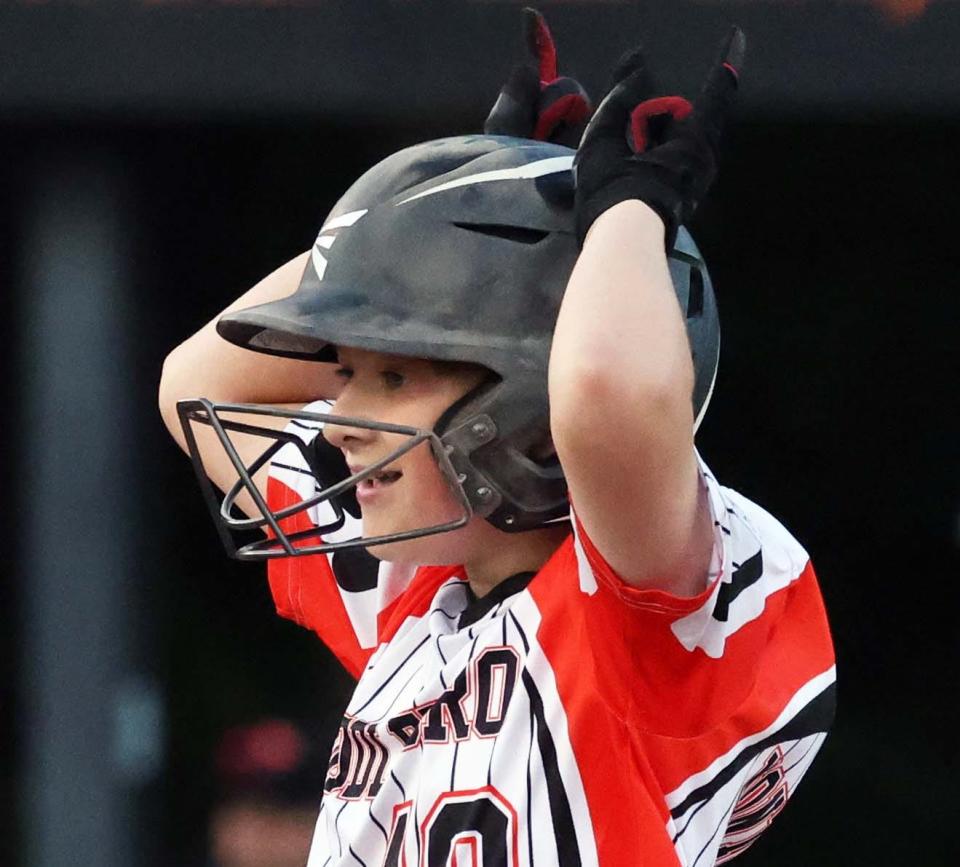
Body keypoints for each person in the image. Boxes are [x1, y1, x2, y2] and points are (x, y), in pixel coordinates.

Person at [159, 11, 835, 866]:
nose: (341, 415)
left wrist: (626, 219)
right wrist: (430, 230)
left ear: (523, 407)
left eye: (392, 377)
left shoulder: (628, 624)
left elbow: (605, 398)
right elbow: (199, 383)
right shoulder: (412, 594)